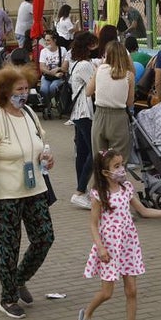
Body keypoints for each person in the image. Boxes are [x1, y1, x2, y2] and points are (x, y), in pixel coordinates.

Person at [0, 65, 56, 319]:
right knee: (8, 247)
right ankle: (8, 297)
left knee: (45, 237)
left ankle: (19, 278)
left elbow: (40, 145)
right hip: (5, 195)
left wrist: (46, 157)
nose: (24, 94)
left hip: (35, 190)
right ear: (4, 92)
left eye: (27, 88)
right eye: (18, 90)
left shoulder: (30, 114)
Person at [78, 149, 161, 320]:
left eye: (122, 165)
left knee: (132, 290)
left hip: (128, 245)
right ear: (105, 172)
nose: (121, 170)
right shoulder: (99, 194)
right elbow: (93, 224)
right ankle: (87, 313)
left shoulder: (127, 188)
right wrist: (100, 247)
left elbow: (143, 211)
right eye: (116, 167)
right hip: (110, 247)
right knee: (107, 292)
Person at [87, 42, 135, 165]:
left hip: (100, 116)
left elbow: (88, 91)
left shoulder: (100, 70)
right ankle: (116, 184)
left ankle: (100, 184)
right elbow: (130, 102)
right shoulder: (129, 75)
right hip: (119, 118)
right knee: (118, 162)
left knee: (99, 162)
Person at [67, 31, 98, 209]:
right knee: (94, 152)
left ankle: (81, 189)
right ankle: (79, 191)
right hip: (85, 112)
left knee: (83, 152)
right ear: (88, 46)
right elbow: (95, 86)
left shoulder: (76, 62)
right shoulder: (86, 65)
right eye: (93, 45)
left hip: (78, 113)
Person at [38, 31, 68, 103]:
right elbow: (42, 67)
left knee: (53, 87)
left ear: (54, 40)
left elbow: (65, 68)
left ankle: (48, 104)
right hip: (47, 76)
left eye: (48, 40)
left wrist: (58, 69)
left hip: (59, 76)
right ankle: (48, 105)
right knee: (44, 90)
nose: (46, 42)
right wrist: (52, 73)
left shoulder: (62, 50)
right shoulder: (43, 51)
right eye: (45, 40)